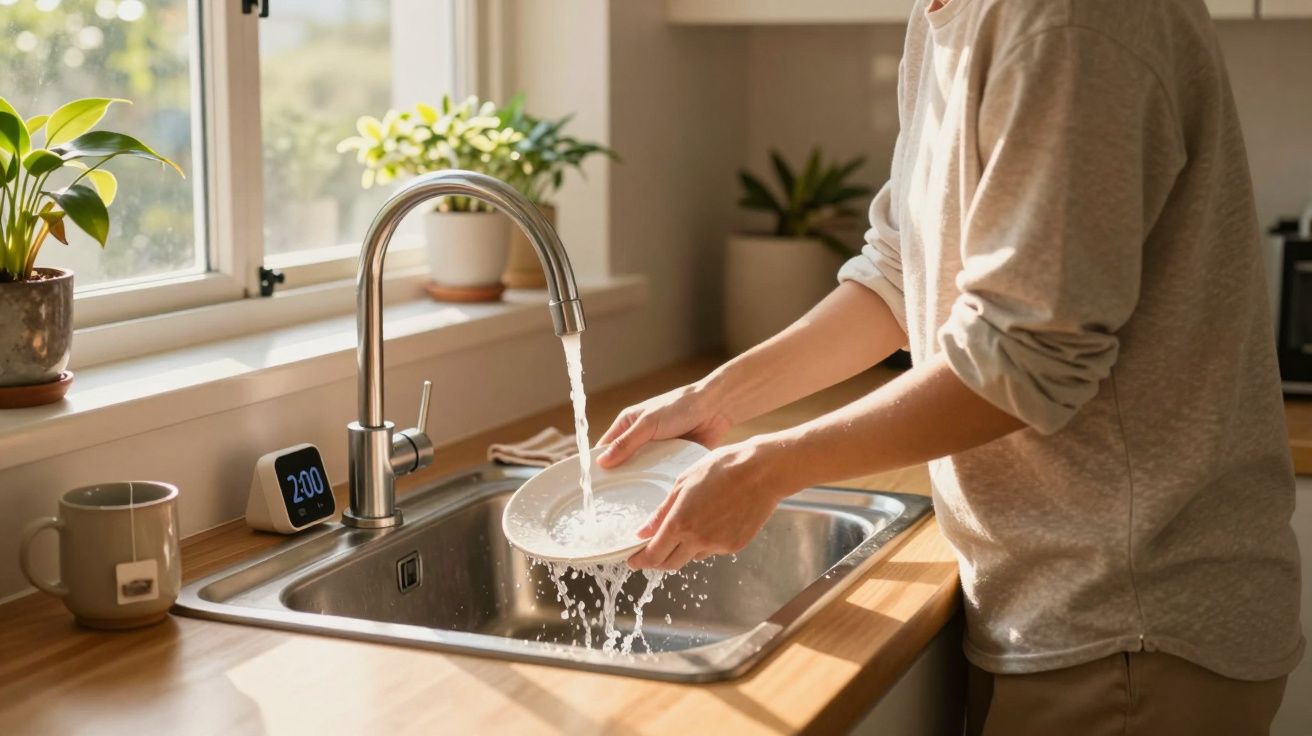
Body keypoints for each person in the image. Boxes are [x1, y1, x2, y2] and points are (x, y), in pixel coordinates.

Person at [598, 0, 1304, 733]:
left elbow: (1024, 357)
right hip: (1057, 599)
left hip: (1132, 624)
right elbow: (901, 275)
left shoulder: (1068, 21)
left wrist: (771, 467)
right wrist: (714, 399)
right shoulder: (948, 13)